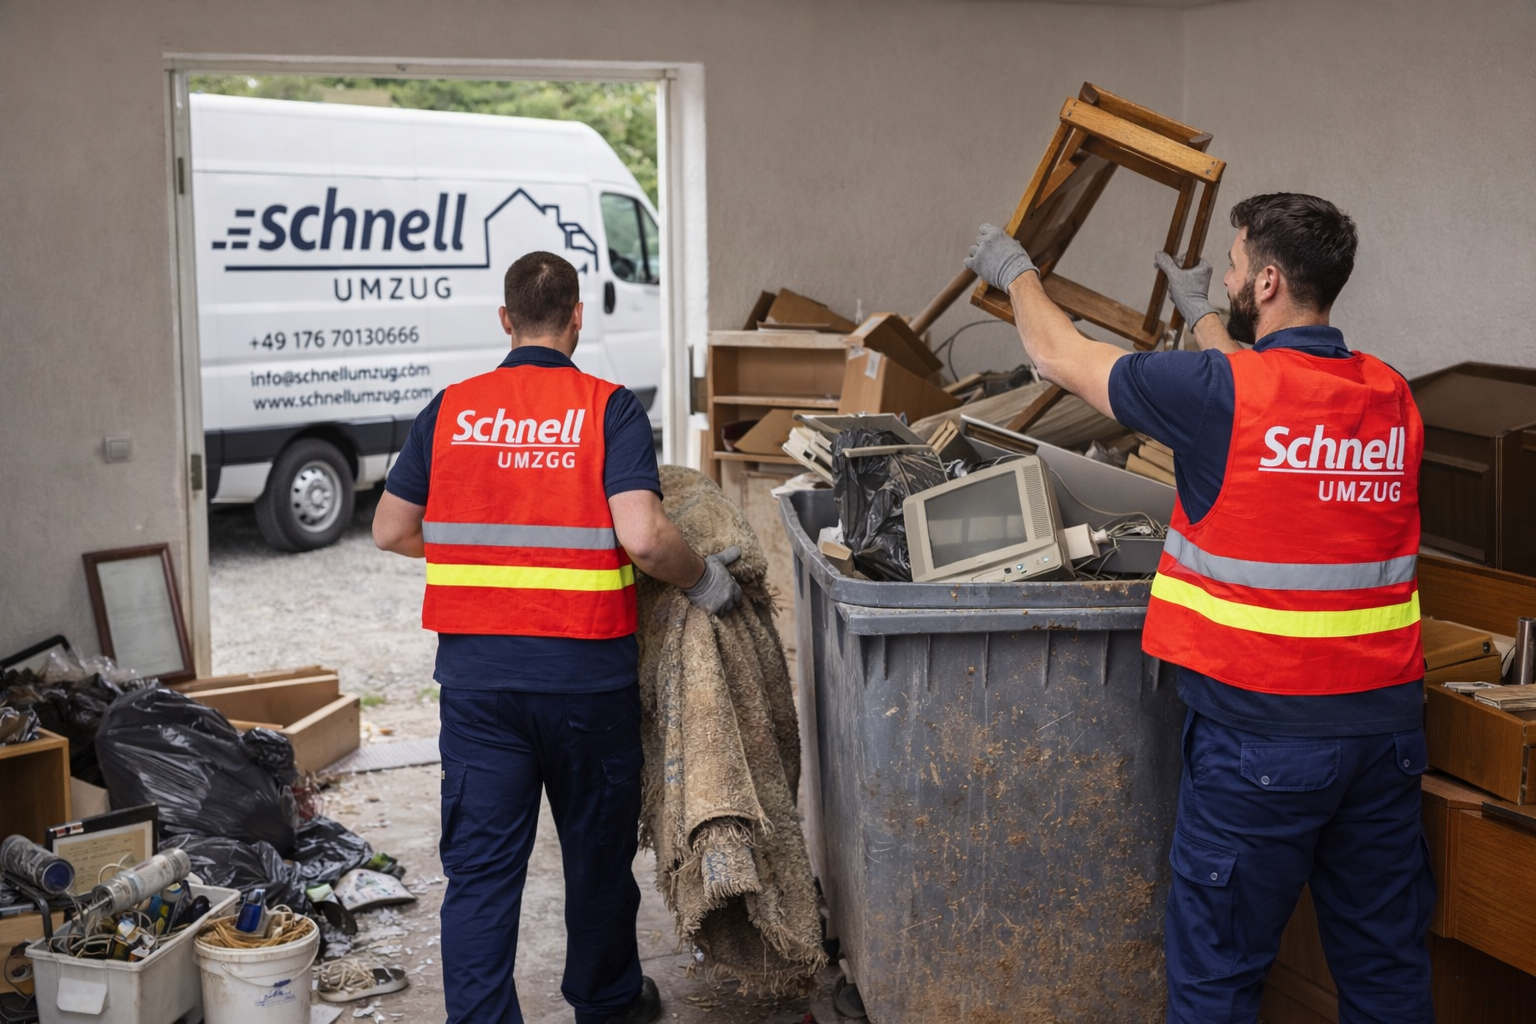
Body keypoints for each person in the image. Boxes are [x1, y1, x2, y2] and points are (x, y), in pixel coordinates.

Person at [965, 194, 1432, 1024]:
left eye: (1233, 266)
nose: (1224, 276)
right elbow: (1273, 389)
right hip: (1384, 739)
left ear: (1268, 280)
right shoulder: (1391, 398)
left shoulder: (1222, 393)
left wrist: (1016, 272)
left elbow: (1056, 353)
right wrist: (1203, 318)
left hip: (1262, 746)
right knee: (1386, 972)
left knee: (1216, 980)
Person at [373, 250, 741, 1024]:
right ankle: (607, 1005)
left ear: (505, 321)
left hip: (479, 687)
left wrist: (482, 553)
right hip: (586, 685)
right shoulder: (610, 408)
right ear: (578, 317)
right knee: (597, 860)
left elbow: (390, 528)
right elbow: (644, 538)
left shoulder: (451, 408)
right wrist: (705, 579)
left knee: (479, 874)